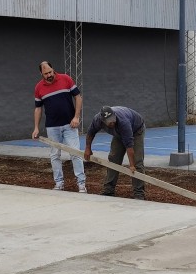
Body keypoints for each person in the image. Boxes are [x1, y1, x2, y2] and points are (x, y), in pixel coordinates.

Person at [32, 61, 86, 192]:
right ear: (41, 73)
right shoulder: (39, 88)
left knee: (76, 153)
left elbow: (78, 98)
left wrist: (76, 117)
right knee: (55, 155)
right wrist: (36, 127)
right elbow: (38, 109)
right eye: (46, 73)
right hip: (52, 127)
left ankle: (81, 184)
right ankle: (59, 183)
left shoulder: (66, 79)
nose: (49, 75)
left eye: (50, 72)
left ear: (53, 69)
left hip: (70, 125)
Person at [84, 106, 146, 200]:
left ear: (115, 115)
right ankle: (108, 190)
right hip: (118, 134)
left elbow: (129, 147)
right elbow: (90, 133)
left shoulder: (123, 122)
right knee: (113, 159)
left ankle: (139, 193)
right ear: (103, 120)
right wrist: (88, 148)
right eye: (109, 121)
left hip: (136, 130)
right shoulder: (97, 120)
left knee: (137, 162)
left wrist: (132, 165)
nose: (112, 122)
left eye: (113, 119)